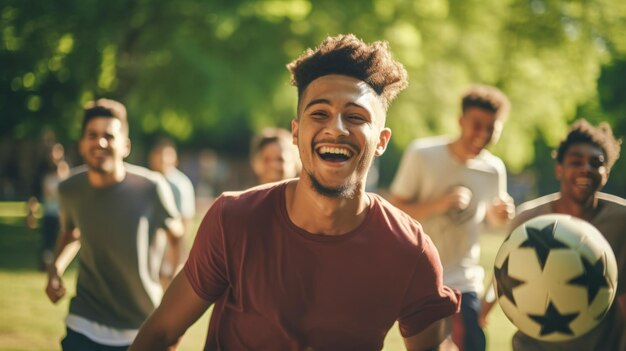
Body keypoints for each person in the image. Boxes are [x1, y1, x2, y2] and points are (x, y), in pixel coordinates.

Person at [130, 34, 461, 351]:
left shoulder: (410, 250)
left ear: (382, 141)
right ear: (296, 131)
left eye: (356, 116)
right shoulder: (233, 219)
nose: (336, 128)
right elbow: (161, 333)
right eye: (319, 113)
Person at [45, 98, 183, 350]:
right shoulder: (69, 189)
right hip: (84, 320)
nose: (100, 142)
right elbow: (70, 233)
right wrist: (55, 270)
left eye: (109, 135)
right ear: (81, 144)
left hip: (141, 324)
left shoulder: (151, 187)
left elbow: (176, 234)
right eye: (92, 135)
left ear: (126, 145)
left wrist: (168, 278)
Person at [480, 119, 626, 351]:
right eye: (576, 161)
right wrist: (479, 314)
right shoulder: (528, 218)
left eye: (595, 163)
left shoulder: (621, 220)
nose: (585, 168)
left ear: (606, 173)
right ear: (559, 168)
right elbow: (504, 277)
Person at [389, 85, 515, 351]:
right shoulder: (423, 154)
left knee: (473, 344)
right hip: (419, 277)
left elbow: (493, 222)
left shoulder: (493, 169)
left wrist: (500, 215)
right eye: (477, 125)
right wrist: (440, 203)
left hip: (464, 278)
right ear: (461, 121)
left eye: (491, 127)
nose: (482, 134)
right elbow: (396, 210)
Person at [148, 137, 196, 286]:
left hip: (171, 245)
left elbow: (185, 220)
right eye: (159, 154)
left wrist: (178, 255)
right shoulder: (149, 180)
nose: (162, 159)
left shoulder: (179, 184)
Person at [26, 142, 70, 270]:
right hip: (48, 213)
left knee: (58, 242)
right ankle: (46, 264)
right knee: (47, 241)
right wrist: (31, 213)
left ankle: (55, 265)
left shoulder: (64, 170)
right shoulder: (42, 172)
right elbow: (34, 194)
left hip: (60, 214)